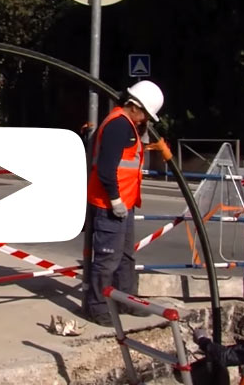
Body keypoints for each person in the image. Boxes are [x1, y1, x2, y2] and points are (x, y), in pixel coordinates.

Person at [85, 80, 164, 326]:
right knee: (107, 259)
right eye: (145, 114)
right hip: (110, 204)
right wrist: (116, 200)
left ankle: (125, 299)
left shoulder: (127, 124)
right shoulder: (118, 125)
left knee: (125, 257)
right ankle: (96, 307)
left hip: (123, 203)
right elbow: (107, 169)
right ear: (135, 106)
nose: (145, 119)